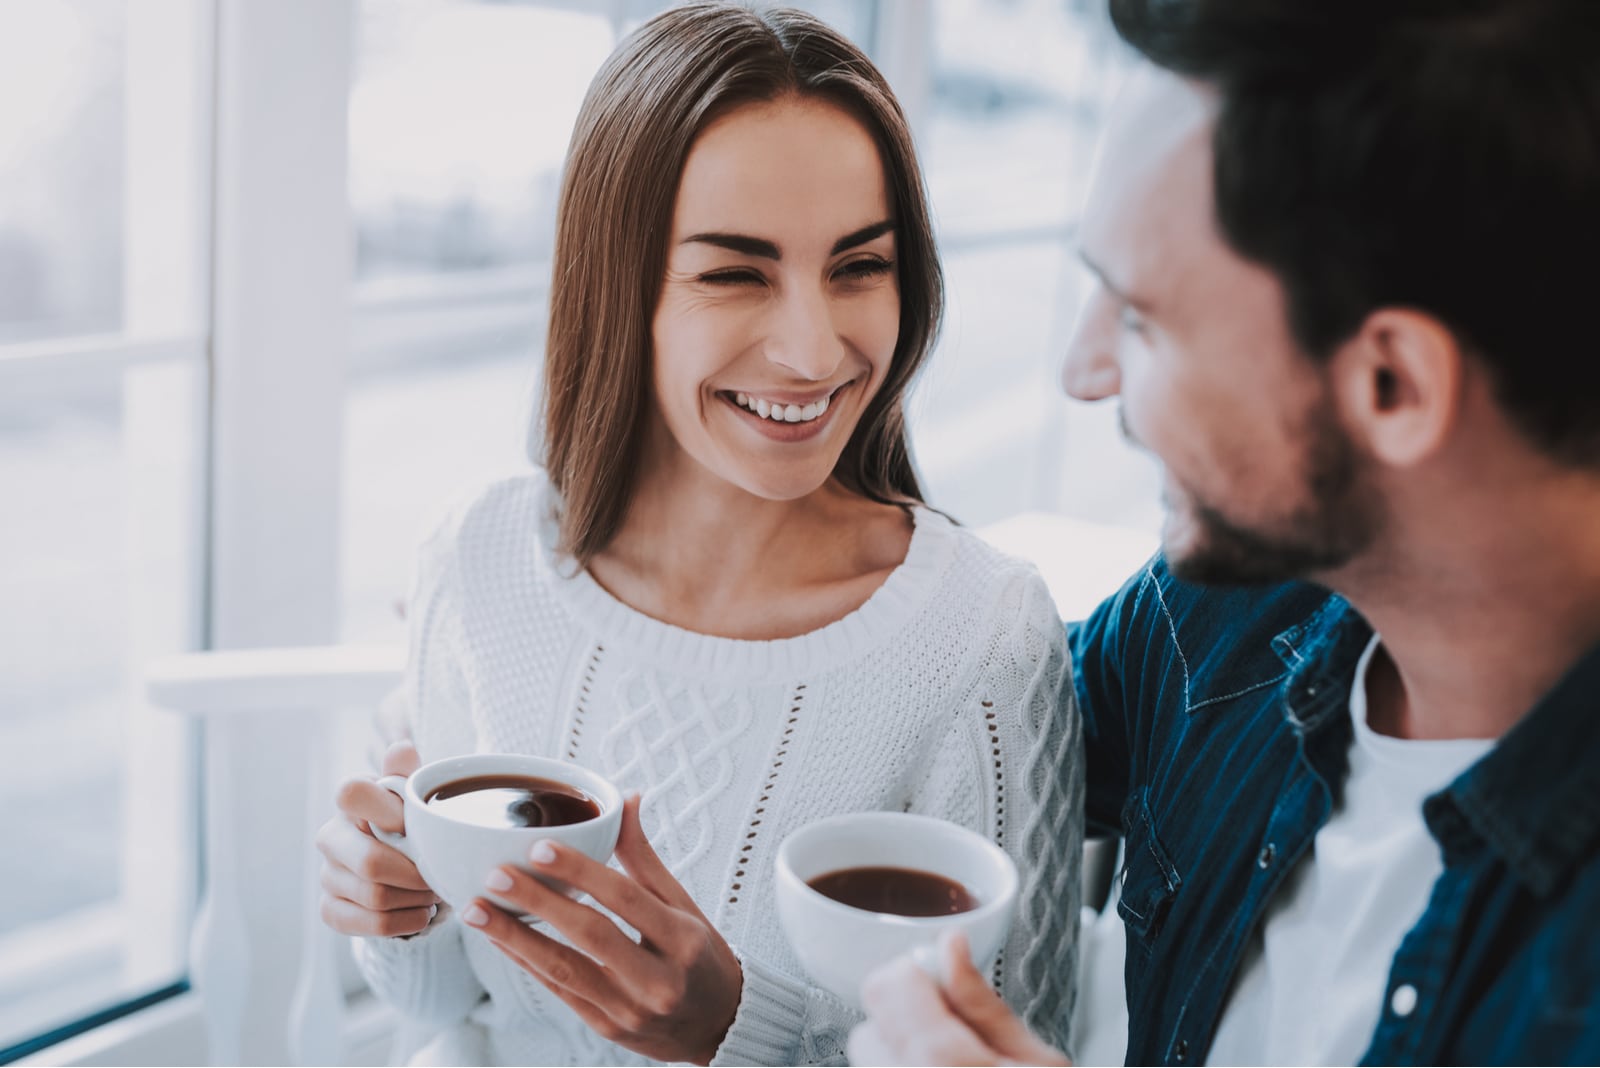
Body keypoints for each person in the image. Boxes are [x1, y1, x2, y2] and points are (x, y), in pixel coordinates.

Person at [313, 4, 1083, 1065]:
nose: (813, 350)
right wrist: (393, 903)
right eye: (736, 272)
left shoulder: (978, 635)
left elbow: (1016, 1051)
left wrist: (730, 1034)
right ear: (616, 286)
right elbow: (445, 1008)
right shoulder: (477, 557)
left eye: (860, 265)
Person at [850, 0, 1600, 1064]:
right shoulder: (1216, 615)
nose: (1084, 370)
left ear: (1391, 385)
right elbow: (962, 727)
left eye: (1143, 319)